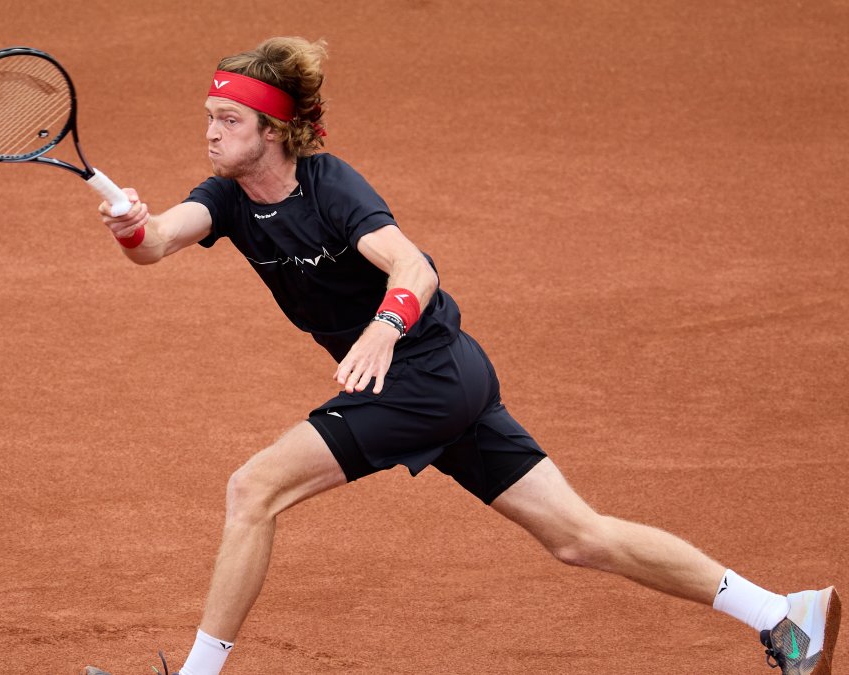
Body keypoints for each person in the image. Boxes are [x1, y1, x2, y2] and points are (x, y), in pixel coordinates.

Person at [84, 37, 840, 675]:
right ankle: (782, 615)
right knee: (578, 536)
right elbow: (155, 245)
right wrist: (128, 222)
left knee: (254, 489)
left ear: (275, 130)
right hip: (454, 377)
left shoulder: (331, 185)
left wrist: (382, 328)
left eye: (227, 119)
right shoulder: (224, 197)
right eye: (208, 118)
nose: (211, 133)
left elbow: (414, 268)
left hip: (421, 374)